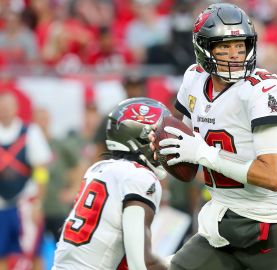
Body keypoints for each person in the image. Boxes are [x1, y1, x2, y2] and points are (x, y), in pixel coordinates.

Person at [151, 3, 277, 270]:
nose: (235, 54)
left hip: (269, 226)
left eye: (240, 45)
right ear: (204, 48)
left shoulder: (263, 91)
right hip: (223, 220)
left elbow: (273, 176)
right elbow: (175, 135)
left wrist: (204, 155)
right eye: (223, 46)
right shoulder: (193, 79)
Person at [52, 97, 170, 270]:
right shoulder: (139, 177)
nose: (163, 142)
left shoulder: (98, 169)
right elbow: (140, 264)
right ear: (141, 137)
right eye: (159, 135)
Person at [0, 91, 52, 270]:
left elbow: (41, 170)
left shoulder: (30, 132)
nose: (5, 110)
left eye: (8, 106)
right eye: (2, 107)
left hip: (25, 203)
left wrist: (38, 202)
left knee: (34, 254)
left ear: (16, 109)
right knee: (2, 254)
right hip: (1, 205)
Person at [93, 73, 147, 160]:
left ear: (143, 88)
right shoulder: (114, 115)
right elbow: (99, 145)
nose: (134, 91)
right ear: (125, 88)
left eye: (137, 87)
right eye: (130, 87)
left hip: (145, 166)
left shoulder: (152, 116)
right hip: (116, 165)